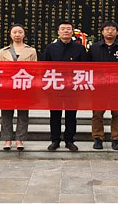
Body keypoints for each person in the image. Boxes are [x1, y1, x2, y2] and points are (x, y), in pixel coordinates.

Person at [84, 21, 118, 151]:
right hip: (99, 87)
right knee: (97, 114)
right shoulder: (94, 48)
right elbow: (87, 66)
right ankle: (98, 138)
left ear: (117, 32)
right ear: (102, 32)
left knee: (117, 114)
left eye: (112, 29)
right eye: (107, 29)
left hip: (117, 86)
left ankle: (116, 139)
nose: (110, 31)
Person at [43, 21, 87, 152]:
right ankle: (55, 140)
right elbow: (45, 68)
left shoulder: (79, 48)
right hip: (55, 86)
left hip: (72, 87)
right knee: (55, 115)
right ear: (58, 32)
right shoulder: (50, 48)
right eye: (63, 29)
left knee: (71, 115)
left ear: (72, 32)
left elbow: (84, 68)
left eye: (68, 29)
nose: (66, 31)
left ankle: (69, 140)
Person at [0, 24, 38, 151]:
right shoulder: (3, 51)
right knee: (6, 113)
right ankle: (7, 139)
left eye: (20, 32)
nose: (17, 35)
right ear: (10, 34)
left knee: (23, 113)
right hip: (7, 86)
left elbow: (35, 70)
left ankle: (20, 139)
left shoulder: (31, 51)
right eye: (14, 32)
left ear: (24, 34)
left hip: (24, 85)